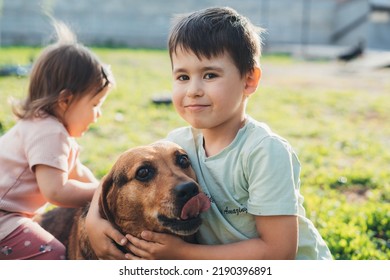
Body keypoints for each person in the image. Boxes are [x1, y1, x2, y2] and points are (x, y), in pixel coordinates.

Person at [86, 6, 332, 260]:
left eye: (210, 75)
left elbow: (277, 253)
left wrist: (183, 253)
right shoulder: (177, 145)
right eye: (183, 77)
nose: (193, 90)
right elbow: (117, 178)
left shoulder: (264, 152)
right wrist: (94, 222)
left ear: (249, 80)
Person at [0, 21, 114, 260]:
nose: (98, 114)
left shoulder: (43, 127)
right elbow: (57, 191)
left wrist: (104, 189)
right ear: (65, 100)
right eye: (94, 105)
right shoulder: (49, 132)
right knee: (52, 252)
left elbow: (76, 172)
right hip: (3, 218)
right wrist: (103, 190)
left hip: (9, 215)